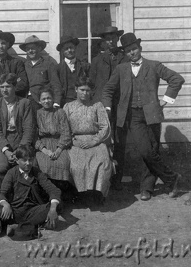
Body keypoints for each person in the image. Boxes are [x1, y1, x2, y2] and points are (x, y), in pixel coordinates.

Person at [102, 33, 184, 201]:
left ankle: (147, 188)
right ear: (125, 53)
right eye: (128, 51)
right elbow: (108, 89)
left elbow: (176, 79)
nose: (132, 53)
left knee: (152, 151)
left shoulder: (154, 66)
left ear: (140, 49)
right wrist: (108, 107)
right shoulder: (121, 69)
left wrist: (166, 100)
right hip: (133, 116)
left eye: (134, 49)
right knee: (145, 151)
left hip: (152, 114)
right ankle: (172, 178)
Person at [89, 26, 128, 190]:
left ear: (117, 39)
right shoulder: (97, 60)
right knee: (103, 140)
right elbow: (91, 83)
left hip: (120, 106)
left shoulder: (125, 58)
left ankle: (118, 180)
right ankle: (103, 178)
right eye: (107, 39)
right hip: (101, 106)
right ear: (103, 42)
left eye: (113, 38)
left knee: (119, 140)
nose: (111, 41)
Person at [64, 77, 113, 205]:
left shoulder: (97, 106)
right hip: (75, 141)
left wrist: (94, 141)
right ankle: (81, 195)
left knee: (101, 162)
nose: (85, 93)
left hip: (95, 141)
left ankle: (97, 194)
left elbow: (105, 126)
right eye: (82, 90)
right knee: (76, 165)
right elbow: (63, 128)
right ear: (76, 90)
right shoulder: (68, 107)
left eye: (87, 90)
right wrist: (72, 142)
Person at [0, 145, 60, 241]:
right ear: (17, 160)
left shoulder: (36, 172)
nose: (28, 163)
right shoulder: (12, 173)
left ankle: (17, 227)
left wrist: (53, 209)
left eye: (30, 160)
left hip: (33, 211)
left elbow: (53, 189)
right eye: (24, 160)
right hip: (15, 211)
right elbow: (2, 193)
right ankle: (31, 226)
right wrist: (6, 204)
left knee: (56, 206)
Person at [0, 73, 35, 179]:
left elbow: (28, 129)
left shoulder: (25, 103)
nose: (4, 90)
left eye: (8, 86)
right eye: (2, 87)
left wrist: (20, 149)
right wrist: (6, 151)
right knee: (1, 166)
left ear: (14, 87)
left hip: (20, 139)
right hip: (3, 140)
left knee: (27, 165)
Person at [34, 88, 73, 196]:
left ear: (53, 99)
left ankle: (61, 194)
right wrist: (45, 150)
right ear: (39, 101)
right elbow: (34, 136)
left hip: (59, 144)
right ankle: (47, 194)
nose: (46, 101)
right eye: (43, 99)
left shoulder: (60, 112)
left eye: (49, 98)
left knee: (64, 163)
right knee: (44, 164)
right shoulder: (37, 114)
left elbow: (66, 132)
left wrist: (59, 149)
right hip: (43, 145)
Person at [0, 30, 28, 106]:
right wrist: (4, 95)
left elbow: (23, 83)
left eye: (3, 43)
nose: (1, 46)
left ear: (7, 44)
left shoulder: (17, 63)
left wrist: (9, 94)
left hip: (16, 101)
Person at [19, 35, 62, 111]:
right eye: (28, 49)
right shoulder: (24, 65)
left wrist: (56, 101)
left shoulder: (48, 64)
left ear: (39, 48)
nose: (30, 51)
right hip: (26, 100)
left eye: (33, 48)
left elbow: (55, 84)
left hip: (42, 101)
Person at [54, 35, 90, 106]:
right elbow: (56, 86)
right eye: (66, 49)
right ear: (62, 51)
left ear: (75, 48)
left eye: (71, 48)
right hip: (64, 102)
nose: (69, 50)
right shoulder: (58, 68)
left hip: (82, 102)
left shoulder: (84, 66)